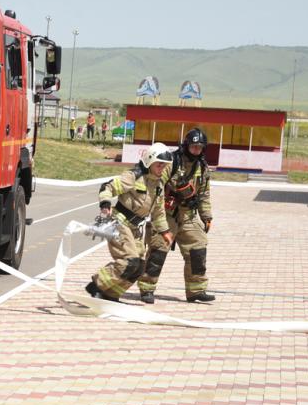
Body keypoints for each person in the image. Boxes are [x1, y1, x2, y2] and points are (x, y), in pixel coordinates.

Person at [85, 142, 174, 301]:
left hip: (135, 229)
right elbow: (108, 187)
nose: (163, 169)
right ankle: (96, 285)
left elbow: (158, 213)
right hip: (120, 223)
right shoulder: (134, 176)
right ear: (149, 161)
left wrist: (165, 232)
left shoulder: (159, 185)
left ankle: (110, 294)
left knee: (139, 267)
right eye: (160, 165)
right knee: (129, 261)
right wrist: (105, 203)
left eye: (165, 166)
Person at [137, 128, 214, 304]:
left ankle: (196, 290)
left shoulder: (202, 168)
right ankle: (147, 289)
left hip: (188, 216)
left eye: (199, 147)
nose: (196, 150)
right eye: (193, 146)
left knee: (198, 248)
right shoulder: (170, 162)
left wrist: (206, 216)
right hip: (167, 213)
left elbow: (204, 194)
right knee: (158, 251)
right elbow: (156, 183)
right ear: (186, 145)